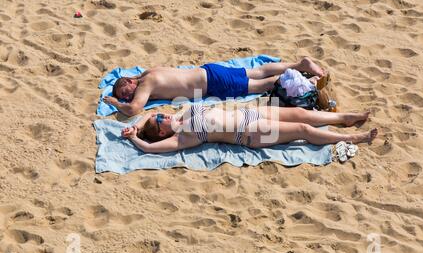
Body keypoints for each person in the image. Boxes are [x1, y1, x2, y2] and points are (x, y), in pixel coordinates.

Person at [103, 57, 326, 117]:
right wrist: (119, 91)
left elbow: (134, 109)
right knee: (257, 71)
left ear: (131, 83)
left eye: (125, 93)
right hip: (209, 70)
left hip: (212, 84)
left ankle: (303, 80)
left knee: (260, 85)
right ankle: (300, 64)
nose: (127, 97)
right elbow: (128, 80)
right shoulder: (146, 73)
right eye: (124, 97)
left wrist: (114, 103)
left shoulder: (145, 84)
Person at [121, 104, 378, 153]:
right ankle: (354, 137)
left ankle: (346, 117)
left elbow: (151, 114)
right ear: (163, 133)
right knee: (301, 128)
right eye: (159, 122)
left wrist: (135, 126)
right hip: (251, 133)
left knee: (300, 113)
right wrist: (136, 140)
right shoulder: (184, 138)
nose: (160, 116)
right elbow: (151, 149)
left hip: (250, 113)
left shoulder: (180, 114)